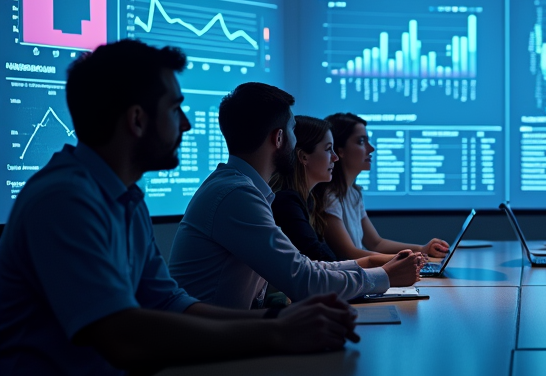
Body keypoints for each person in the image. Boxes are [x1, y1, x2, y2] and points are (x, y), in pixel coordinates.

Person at [0, 41, 359, 376]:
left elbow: (170, 302)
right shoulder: (65, 200)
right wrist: (277, 332)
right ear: (137, 120)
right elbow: (121, 334)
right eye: (175, 109)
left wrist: (280, 320)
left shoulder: (123, 199)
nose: (186, 124)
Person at [169, 85, 420, 310]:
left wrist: (380, 271)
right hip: (209, 351)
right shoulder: (236, 195)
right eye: (293, 131)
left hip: (223, 339)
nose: (296, 141)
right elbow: (304, 281)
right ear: (278, 138)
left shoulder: (241, 189)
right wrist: (383, 277)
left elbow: (304, 267)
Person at [270, 115, 417, 269]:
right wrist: (401, 259)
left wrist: (416, 253)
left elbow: (327, 259)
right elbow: (329, 257)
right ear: (303, 157)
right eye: (328, 149)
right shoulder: (291, 201)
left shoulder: (310, 200)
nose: (334, 157)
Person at [320, 113, 450, 261]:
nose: (371, 149)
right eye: (361, 141)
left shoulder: (353, 194)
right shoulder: (329, 198)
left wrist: (422, 249)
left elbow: (376, 243)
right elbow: (349, 254)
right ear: (340, 150)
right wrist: (408, 259)